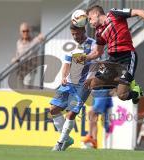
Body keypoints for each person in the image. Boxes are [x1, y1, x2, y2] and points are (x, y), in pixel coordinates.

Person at [76, 5, 144, 104]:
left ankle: (136, 91)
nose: (90, 22)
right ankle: (119, 80)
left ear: (96, 14)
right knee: (91, 83)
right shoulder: (99, 33)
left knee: (122, 95)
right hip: (113, 60)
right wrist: (84, 58)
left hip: (127, 57)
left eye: (90, 19)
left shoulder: (114, 13)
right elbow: (97, 52)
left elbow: (139, 11)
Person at [50, 23, 96, 151]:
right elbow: (66, 64)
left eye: (77, 33)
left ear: (83, 30)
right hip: (69, 83)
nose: (75, 36)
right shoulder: (73, 47)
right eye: (73, 34)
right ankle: (67, 139)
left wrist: (92, 78)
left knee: (71, 113)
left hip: (83, 85)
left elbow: (96, 62)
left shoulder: (93, 44)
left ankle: (60, 144)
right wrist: (63, 77)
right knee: (53, 110)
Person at [13, 22, 44, 88]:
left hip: (30, 69)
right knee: (20, 89)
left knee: (27, 88)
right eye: (23, 31)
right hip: (20, 69)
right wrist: (14, 59)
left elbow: (43, 38)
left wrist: (41, 37)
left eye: (27, 31)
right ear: (20, 32)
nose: (25, 33)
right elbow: (17, 55)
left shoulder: (34, 40)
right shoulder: (18, 42)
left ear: (29, 31)